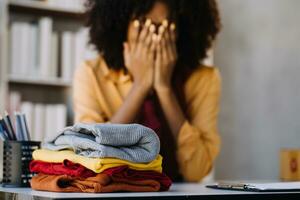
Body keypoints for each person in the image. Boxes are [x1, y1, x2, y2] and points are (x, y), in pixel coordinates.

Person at [73, 0, 222, 182]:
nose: (154, 36)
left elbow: (197, 171)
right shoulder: (91, 74)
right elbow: (90, 161)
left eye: (165, 26)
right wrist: (140, 86)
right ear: (122, 25)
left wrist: (164, 88)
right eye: (142, 23)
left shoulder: (204, 78)